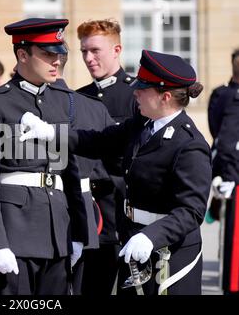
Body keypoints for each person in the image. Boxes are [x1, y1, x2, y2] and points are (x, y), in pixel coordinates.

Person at [20, 49, 211, 295]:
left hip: (169, 254)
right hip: (134, 241)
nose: (136, 91)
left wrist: (151, 236)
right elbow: (98, 141)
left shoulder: (189, 144)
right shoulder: (142, 124)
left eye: (144, 88)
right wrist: (51, 133)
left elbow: (191, 211)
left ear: (164, 97)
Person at [0, 18, 88, 295]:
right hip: (14, 233)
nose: (56, 61)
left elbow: (70, 172)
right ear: (22, 54)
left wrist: (79, 232)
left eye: (59, 54)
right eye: (47, 54)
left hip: (57, 231)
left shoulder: (62, 100)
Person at [74, 18, 138, 295]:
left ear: (116, 50)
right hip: (88, 214)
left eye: (95, 50)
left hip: (123, 214)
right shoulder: (77, 98)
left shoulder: (137, 95)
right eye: (84, 51)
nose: (88, 58)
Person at [55, 45, 115, 294]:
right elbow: (110, 166)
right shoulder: (94, 107)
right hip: (87, 210)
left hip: (39, 212)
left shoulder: (20, 105)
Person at [210, 48, 239, 295]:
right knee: (232, 242)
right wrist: (224, 173)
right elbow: (220, 136)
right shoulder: (223, 95)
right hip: (232, 176)